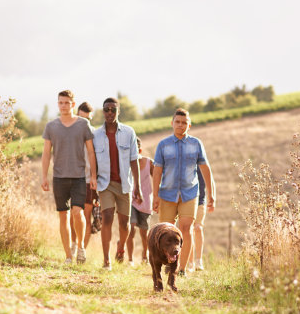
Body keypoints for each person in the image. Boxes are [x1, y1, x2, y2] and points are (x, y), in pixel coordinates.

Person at [152, 108, 215, 275]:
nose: (180, 125)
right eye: (178, 122)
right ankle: (168, 263)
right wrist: (155, 196)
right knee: (166, 230)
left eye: (184, 123)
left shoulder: (196, 144)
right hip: (167, 194)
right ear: (172, 123)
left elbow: (205, 169)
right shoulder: (163, 145)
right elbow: (157, 171)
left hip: (189, 193)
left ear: (189, 125)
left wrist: (211, 194)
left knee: (186, 228)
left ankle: (181, 269)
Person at [41, 90, 97, 264]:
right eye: (60, 103)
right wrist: (44, 176)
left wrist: (93, 175)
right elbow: (46, 153)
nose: (63, 106)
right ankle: (68, 255)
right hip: (59, 178)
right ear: (58, 104)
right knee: (63, 215)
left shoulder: (83, 125)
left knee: (77, 212)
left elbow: (91, 151)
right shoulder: (51, 127)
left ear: (73, 104)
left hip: (79, 177)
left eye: (67, 103)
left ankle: (80, 246)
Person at [92, 97, 142, 270]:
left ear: (118, 111)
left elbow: (134, 160)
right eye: (106, 110)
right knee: (106, 218)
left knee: (124, 224)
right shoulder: (96, 135)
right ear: (103, 111)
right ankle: (106, 260)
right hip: (105, 184)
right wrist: (92, 181)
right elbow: (93, 161)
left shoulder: (129, 132)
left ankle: (120, 249)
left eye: (113, 109)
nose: (110, 113)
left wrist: (138, 187)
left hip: (124, 184)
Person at [70, 101, 98, 255]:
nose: (83, 122)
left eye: (86, 119)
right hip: (72, 178)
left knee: (86, 217)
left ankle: (82, 250)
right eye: (81, 118)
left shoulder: (95, 134)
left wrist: (95, 178)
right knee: (73, 215)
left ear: (91, 118)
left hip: (88, 180)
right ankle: (73, 243)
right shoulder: (69, 132)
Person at [126, 137, 154, 266]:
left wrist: (158, 197)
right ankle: (130, 259)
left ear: (140, 150)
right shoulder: (125, 163)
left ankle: (145, 257)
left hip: (145, 202)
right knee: (130, 228)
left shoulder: (149, 163)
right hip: (130, 200)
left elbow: (158, 179)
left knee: (144, 232)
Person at [187, 166, 215, 272]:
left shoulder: (203, 165)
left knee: (198, 228)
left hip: (200, 202)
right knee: (188, 231)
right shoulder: (186, 163)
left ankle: (199, 261)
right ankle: (190, 263)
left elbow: (211, 181)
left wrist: (213, 198)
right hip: (187, 201)